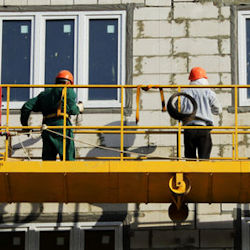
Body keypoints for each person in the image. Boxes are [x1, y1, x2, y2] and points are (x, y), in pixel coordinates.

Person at [20, 70, 84, 161]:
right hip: (63, 127)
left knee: (48, 163)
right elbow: (73, 110)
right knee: (68, 160)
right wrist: (79, 108)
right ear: (68, 83)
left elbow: (26, 107)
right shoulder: (68, 90)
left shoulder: (44, 94)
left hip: (47, 129)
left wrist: (25, 126)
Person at [178, 67, 222, 159]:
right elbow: (218, 110)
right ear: (204, 78)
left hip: (189, 130)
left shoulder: (185, 92)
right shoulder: (208, 92)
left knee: (190, 159)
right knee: (204, 160)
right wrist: (208, 110)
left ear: (191, 79)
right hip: (204, 129)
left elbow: (178, 108)